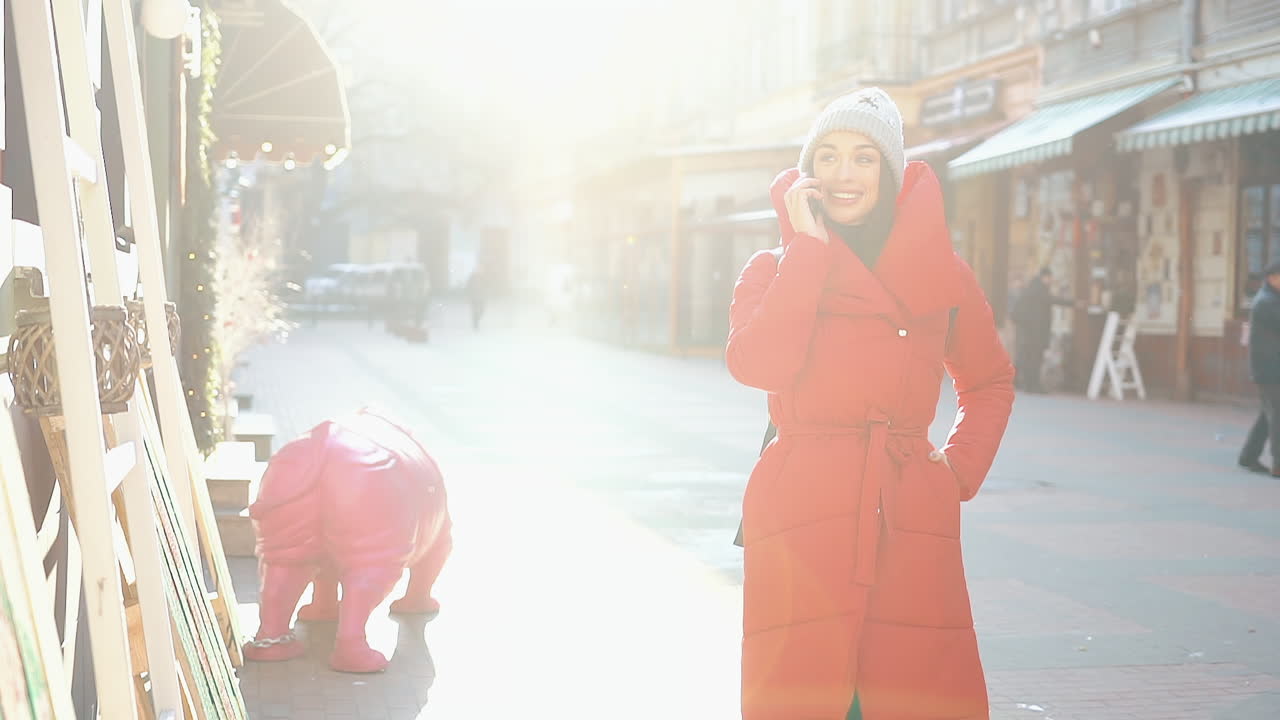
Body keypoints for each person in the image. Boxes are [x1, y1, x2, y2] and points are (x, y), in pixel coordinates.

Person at [725, 87, 1015, 720]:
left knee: (911, 690)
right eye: (827, 156)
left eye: (863, 157)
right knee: (802, 691)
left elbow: (989, 381)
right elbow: (759, 366)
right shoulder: (772, 268)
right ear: (807, 173)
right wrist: (808, 251)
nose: (843, 174)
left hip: (906, 508)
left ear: (889, 172)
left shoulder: (944, 274)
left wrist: (959, 471)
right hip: (801, 505)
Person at [1238, 260, 1280, 476]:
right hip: (1271, 370)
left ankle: (1248, 456)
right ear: (1272, 278)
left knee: (1268, 414)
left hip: (1270, 368)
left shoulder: (1271, 299)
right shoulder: (1267, 302)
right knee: (1277, 415)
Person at [1010, 266, 1075, 393]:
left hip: (1027, 331)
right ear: (1046, 277)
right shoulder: (1040, 289)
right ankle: (1034, 385)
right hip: (1036, 332)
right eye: (1050, 278)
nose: (1051, 281)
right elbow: (1053, 300)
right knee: (1035, 359)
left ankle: (1029, 385)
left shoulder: (1031, 287)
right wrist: (1074, 303)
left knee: (1029, 358)